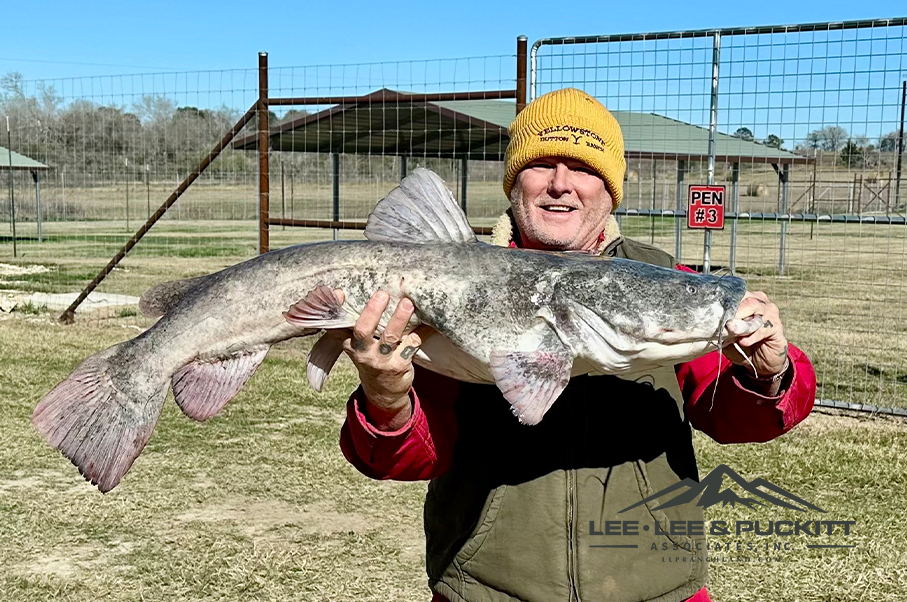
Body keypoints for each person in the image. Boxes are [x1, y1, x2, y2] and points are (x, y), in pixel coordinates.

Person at [335, 88, 816, 602]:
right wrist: (386, 397)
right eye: (541, 164)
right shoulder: (446, 292)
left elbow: (734, 418)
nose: (561, 184)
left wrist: (768, 375)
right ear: (514, 181)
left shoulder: (669, 285)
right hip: (487, 591)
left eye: (584, 168)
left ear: (611, 189)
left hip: (657, 591)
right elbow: (402, 460)